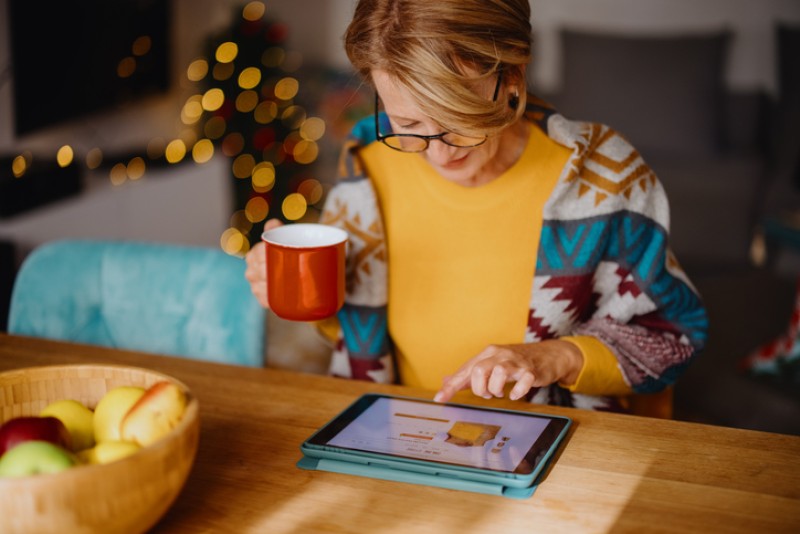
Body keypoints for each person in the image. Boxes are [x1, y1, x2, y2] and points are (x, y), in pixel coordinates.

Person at [245, 0, 708, 417]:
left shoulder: (603, 175)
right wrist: (302, 291)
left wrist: (548, 358)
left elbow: (671, 336)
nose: (439, 153)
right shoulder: (367, 166)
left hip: (558, 450)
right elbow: (352, 327)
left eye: (460, 119)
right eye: (407, 123)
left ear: (512, 74)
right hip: (391, 438)